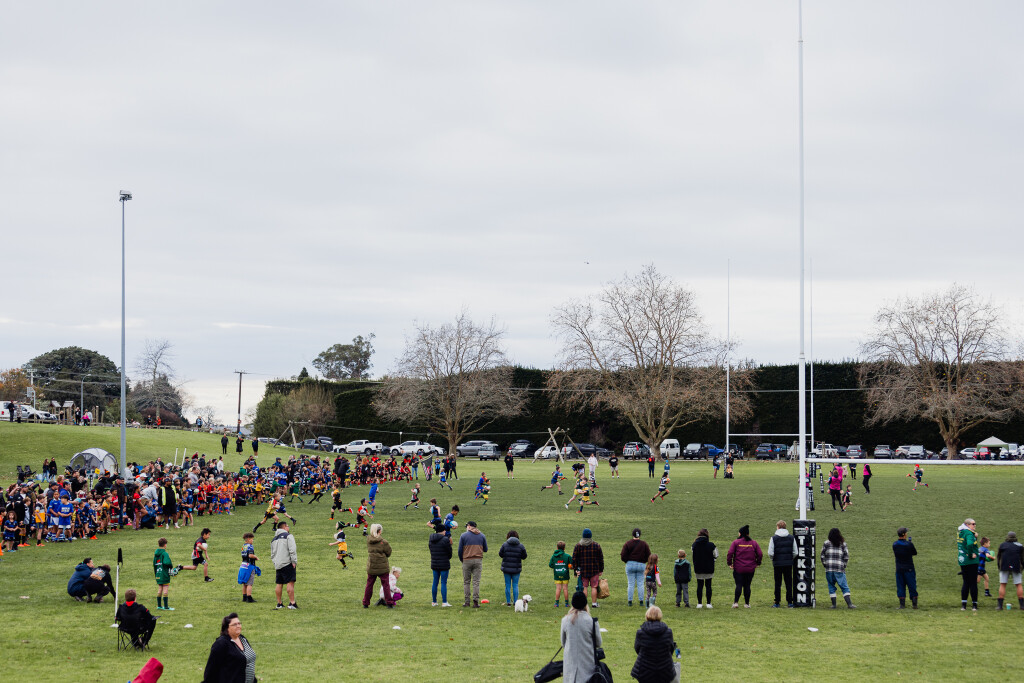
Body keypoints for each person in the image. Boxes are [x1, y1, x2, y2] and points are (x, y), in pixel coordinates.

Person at [630, 605, 680, 683]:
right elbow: (670, 649)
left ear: (647, 615)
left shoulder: (640, 632)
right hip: (665, 669)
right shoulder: (668, 632)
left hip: (644, 669)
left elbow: (637, 649)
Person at [560, 591, 602, 683]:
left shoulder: (565, 620)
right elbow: (598, 643)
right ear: (585, 604)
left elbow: (563, 643)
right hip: (587, 663)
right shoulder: (591, 622)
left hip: (570, 663)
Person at [202, 613, 256, 683]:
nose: (238, 626)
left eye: (239, 623)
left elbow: (248, 663)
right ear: (227, 628)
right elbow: (211, 670)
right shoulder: (221, 644)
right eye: (234, 624)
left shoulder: (242, 639)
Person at [727, 525, 762, 608]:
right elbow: (760, 554)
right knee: (747, 585)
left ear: (740, 534)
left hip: (738, 568)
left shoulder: (736, 542)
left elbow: (730, 553)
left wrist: (730, 563)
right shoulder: (753, 543)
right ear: (748, 534)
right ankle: (747, 603)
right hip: (750, 568)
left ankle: (736, 603)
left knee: (739, 584)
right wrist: (758, 563)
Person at [821, 527, 856, 609]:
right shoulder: (843, 544)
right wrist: (844, 565)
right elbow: (846, 556)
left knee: (831, 586)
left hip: (829, 569)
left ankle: (833, 605)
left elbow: (822, 555)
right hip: (839, 568)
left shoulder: (826, 543)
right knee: (844, 586)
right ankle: (849, 604)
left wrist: (825, 564)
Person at [767, 520, 797, 608]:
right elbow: (795, 552)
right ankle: (790, 602)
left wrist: (774, 559)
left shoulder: (774, 538)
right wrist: (790, 558)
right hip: (788, 563)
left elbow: (770, 552)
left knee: (777, 583)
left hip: (777, 564)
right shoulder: (791, 538)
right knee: (788, 583)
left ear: (778, 527)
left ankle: (777, 602)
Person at [572, 527, 604, 608]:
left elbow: (574, 559)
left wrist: (575, 570)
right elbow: (600, 559)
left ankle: (584, 604)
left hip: (583, 571)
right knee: (594, 587)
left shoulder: (578, 545)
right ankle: (594, 604)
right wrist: (601, 570)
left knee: (584, 587)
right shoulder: (596, 545)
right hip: (594, 570)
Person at [458, 520, 488, 607]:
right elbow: (485, 549)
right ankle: (475, 602)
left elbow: (460, 550)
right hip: (478, 560)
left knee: (466, 582)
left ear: (469, 526)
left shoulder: (463, 536)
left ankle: (467, 602)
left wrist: (462, 560)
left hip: (466, 560)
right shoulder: (482, 535)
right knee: (476, 582)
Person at [363, 523, 393, 608]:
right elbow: (389, 552)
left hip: (372, 565)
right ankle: (389, 603)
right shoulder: (383, 542)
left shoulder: (368, 540)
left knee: (369, 585)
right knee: (386, 585)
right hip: (382, 566)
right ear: (380, 531)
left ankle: (365, 603)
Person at [271, 521, 298, 610]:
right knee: (290, 582)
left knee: (279, 583)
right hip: (287, 562)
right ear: (284, 527)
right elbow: (292, 550)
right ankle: (292, 603)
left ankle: (279, 603)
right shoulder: (288, 536)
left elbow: (272, 554)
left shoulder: (274, 539)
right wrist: (294, 561)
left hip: (278, 564)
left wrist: (275, 562)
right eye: (287, 526)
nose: (288, 528)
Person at [621, 527, 652, 607]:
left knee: (630, 584)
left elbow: (623, 555)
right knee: (640, 584)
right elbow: (649, 555)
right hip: (641, 565)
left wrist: (627, 561)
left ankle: (630, 601)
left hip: (630, 564)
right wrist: (644, 561)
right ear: (640, 535)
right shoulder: (644, 544)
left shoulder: (628, 543)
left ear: (632, 534)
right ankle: (641, 601)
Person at [996, 531, 1024, 610]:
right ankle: (1022, 605)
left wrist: (999, 567)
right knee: (1018, 584)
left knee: (1003, 584)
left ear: (1007, 537)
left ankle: (1000, 606)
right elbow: (1023, 558)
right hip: (1016, 566)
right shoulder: (1020, 546)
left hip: (1004, 566)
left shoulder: (1002, 545)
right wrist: (1022, 567)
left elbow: (998, 557)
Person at [499, 529, 528, 606]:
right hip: (516, 568)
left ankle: (508, 602)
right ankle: (515, 602)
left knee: (507, 585)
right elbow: (524, 556)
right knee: (515, 585)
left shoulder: (504, 545)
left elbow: (500, 554)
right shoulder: (521, 546)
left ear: (508, 536)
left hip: (506, 568)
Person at [428, 520, 453, 607]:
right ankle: (444, 602)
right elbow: (449, 553)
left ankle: (434, 601)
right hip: (444, 563)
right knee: (443, 582)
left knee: (435, 582)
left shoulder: (431, 539)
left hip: (434, 562)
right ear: (442, 531)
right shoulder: (445, 539)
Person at [691, 529, 718, 609]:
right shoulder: (711, 545)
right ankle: (708, 603)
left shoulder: (694, 545)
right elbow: (716, 555)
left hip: (698, 567)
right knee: (708, 585)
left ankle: (699, 603)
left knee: (699, 585)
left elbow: (693, 554)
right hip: (709, 567)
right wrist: (713, 560)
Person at [957, 518, 980, 611]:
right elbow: (970, 544)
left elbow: (964, 543)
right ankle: (974, 605)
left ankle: (963, 605)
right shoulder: (969, 533)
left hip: (962, 560)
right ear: (967, 525)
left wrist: (975, 537)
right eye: (973, 524)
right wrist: (971, 555)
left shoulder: (960, 532)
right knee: (973, 582)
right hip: (971, 561)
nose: (974, 525)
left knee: (965, 582)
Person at [893, 527, 918, 609]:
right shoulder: (909, 544)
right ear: (904, 534)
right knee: (912, 586)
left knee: (900, 587)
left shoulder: (895, 544)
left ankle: (902, 605)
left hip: (899, 569)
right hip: (909, 568)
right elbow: (914, 553)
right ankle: (914, 604)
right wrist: (910, 543)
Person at [550, 540, 572, 607]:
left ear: (557, 547)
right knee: (565, 588)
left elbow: (550, 565)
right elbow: (571, 565)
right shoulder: (567, 556)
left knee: (558, 588)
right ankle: (566, 603)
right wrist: (569, 566)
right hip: (565, 575)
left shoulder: (554, 556)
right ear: (564, 548)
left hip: (557, 575)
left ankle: (556, 603)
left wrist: (556, 566)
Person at [239, 532, 259, 603]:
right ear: (248, 539)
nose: (252, 540)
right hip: (249, 566)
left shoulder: (243, 546)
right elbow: (250, 555)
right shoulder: (250, 546)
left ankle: (244, 597)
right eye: (252, 539)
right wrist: (255, 557)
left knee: (244, 583)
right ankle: (249, 598)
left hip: (243, 565)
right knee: (249, 583)